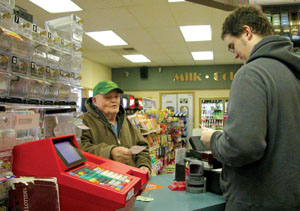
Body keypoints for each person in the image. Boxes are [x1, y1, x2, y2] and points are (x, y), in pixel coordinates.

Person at [201, 5, 300, 211]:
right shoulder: (293, 73)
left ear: (247, 32)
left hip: (256, 200)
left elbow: (242, 147)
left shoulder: (251, 73)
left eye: (232, 45)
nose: (235, 55)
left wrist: (214, 139)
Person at [80, 80, 151, 175]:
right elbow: (80, 150)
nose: (114, 101)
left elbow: (141, 146)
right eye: (108, 97)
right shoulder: (84, 121)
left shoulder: (126, 121)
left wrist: (144, 165)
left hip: (130, 179)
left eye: (116, 97)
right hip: (103, 181)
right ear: (95, 101)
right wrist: (110, 152)